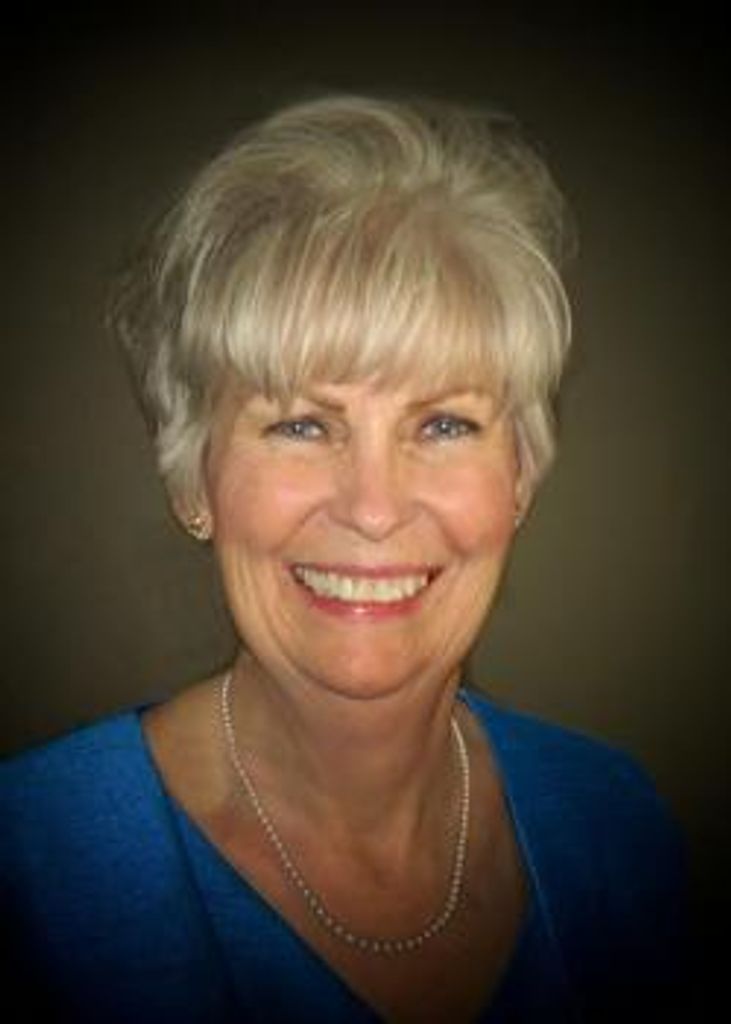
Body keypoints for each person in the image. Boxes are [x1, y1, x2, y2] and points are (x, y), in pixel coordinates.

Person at [1, 94, 688, 1022]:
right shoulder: (30, 860)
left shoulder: (617, 819)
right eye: (300, 424)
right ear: (193, 481)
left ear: (520, 477)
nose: (372, 509)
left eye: (443, 424)